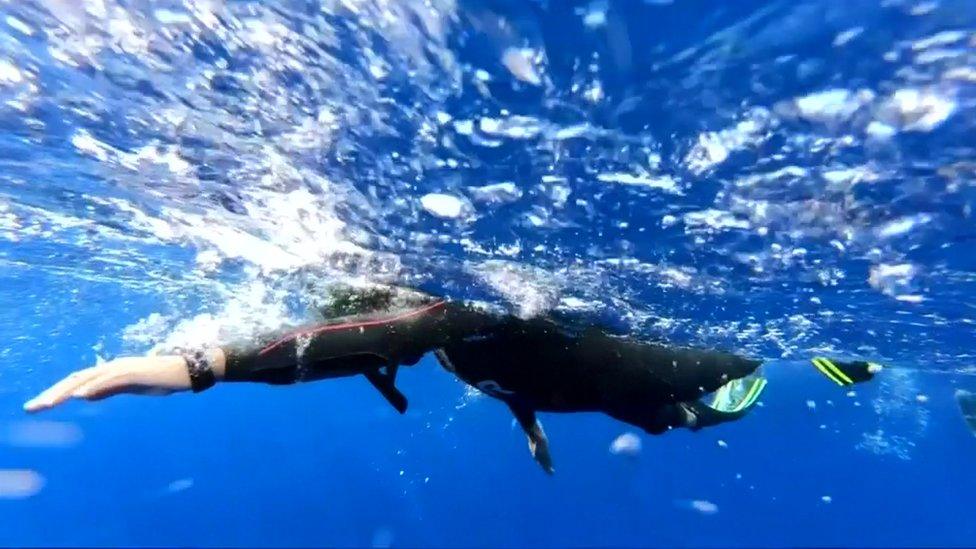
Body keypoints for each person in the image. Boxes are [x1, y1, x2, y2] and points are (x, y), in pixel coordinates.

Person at [23, 284, 882, 473]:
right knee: (669, 414)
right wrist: (531, 424)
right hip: (587, 386)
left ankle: (840, 350)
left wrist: (193, 366)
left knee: (718, 369)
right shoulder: (437, 342)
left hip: (627, 365)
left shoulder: (445, 317)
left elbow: (328, 344)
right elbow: (353, 349)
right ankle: (710, 412)